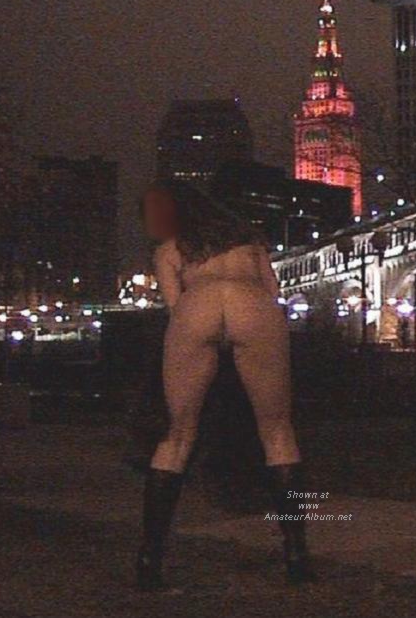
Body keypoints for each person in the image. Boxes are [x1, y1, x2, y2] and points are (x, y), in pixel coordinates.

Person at [138, 178, 314, 590]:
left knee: (178, 435)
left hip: (197, 304)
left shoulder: (168, 249)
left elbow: (175, 306)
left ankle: (149, 561)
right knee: (278, 431)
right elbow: (272, 290)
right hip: (251, 303)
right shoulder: (250, 245)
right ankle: (296, 555)